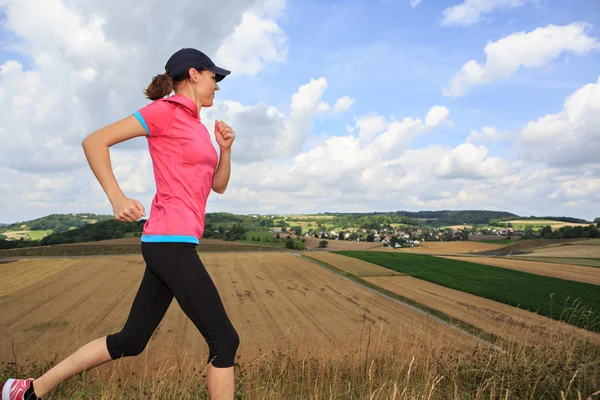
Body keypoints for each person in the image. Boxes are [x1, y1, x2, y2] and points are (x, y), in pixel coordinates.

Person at [2, 48, 240, 400]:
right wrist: (116, 197)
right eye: (212, 77)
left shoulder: (198, 126)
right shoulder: (164, 112)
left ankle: (28, 391)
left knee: (131, 340)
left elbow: (218, 186)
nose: (217, 86)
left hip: (174, 243)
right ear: (193, 74)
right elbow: (95, 141)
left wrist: (225, 149)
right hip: (169, 241)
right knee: (224, 341)